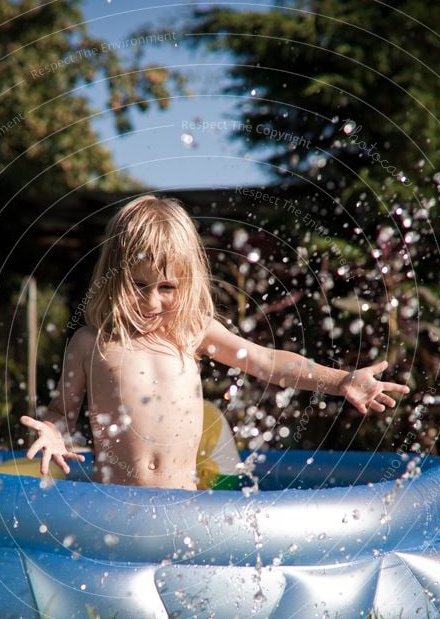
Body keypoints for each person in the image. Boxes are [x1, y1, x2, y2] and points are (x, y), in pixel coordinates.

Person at [20, 195, 409, 490]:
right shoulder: (92, 342)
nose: (152, 301)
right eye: (138, 285)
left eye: (167, 287)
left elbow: (265, 361)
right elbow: (63, 411)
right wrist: (53, 431)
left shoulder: (191, 332)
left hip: (186, 503)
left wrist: (340, 380)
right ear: (114, 276)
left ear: (185, 284)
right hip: (118, 506)